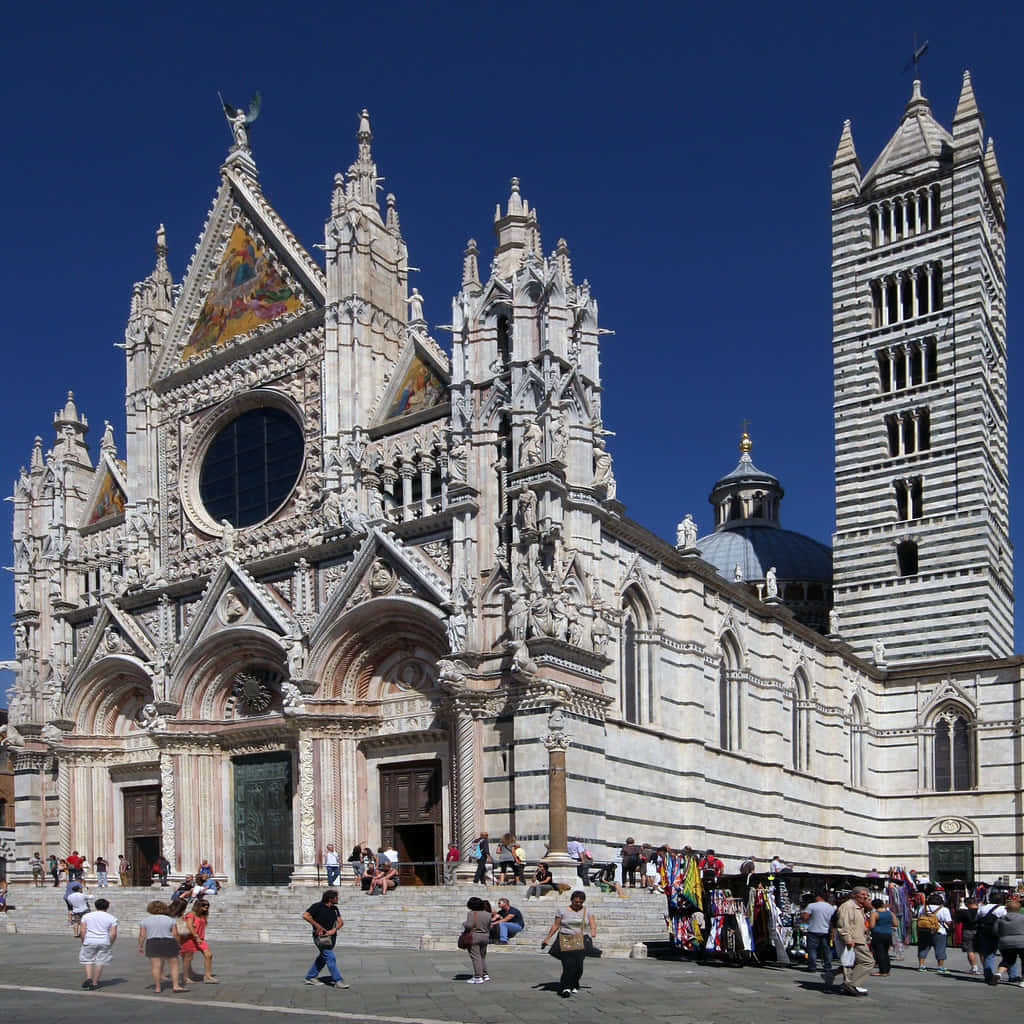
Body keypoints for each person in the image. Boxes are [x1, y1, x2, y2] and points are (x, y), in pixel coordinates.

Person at [542, 890, 596, 998]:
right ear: (571, 900)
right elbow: (556, 925)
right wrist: (547, 938)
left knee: (578, 966)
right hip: (565, 938)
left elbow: (592, 924)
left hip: (580, 940)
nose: (578, 904)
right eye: (576, 902)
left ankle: (574, 983)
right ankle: (565, 987)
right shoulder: (562, 911)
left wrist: (593, 931)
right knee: (568, 964)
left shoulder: (587, 911)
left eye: (580, 902)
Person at [301, 889, 349, 988]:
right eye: (336, 897)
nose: (338, 899)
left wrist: (334, 930)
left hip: (331, 937)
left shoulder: (335, 909)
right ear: (330, 898)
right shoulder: (317, 906)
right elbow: (305, 915)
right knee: (330, 957)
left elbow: (340, 922)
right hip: (320, 937)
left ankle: (310, 976)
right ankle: (338, 980)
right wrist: (317, 926)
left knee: (324, 957)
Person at [138, 899, 188, 993]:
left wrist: (140, 946)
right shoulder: (170, 920)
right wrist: (178, 944)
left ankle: (157, 987)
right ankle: (176, 985)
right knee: (174, 964)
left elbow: (142, 935)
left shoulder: (145, 921)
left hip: (152, 942)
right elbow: (175, 934)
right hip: (168, 941)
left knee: (156, 966)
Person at [836, 886, 874, 996]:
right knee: (868, 961)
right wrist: (847, 938)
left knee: (850, 963)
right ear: (854, 895)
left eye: (866, 895)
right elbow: (843, 923)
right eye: (862, 894)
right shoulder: (848, 906)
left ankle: (850, 984)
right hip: (854, 939)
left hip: (859, 938)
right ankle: (851, 984)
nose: (865, 897)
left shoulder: (859, 907)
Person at [79, 896, 117, 989]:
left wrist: (83, 940)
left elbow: (82, 930)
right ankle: (95, 982)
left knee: (87, 959)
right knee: (100, 961)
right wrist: (110, 943)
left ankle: (88, 978)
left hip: (90, 939)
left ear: (95, 906)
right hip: (104, 940)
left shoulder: (86, 916)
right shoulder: (112, 918)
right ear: (107, 907)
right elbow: (113, 933)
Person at [179, 897, 218, 983]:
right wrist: (195, 936)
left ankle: (207, 976)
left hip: (200, 939)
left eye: (207, 905)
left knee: (209, 955)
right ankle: (186, 976)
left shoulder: (203, 915)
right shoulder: (191, 914)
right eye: (204, 905)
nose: (206, 907)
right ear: (198, 906)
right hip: (190, 938)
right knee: (188, 958)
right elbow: (189, 926)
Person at [802, 891, 835, 976]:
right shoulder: (830, 907)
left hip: (813, 929)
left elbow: (805, 916)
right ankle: (827, 966)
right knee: (826, 949)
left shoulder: (812, 906)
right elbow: (833, 920)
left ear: (818, 897)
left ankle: (812, 966)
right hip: (825, 930)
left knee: (812, 949)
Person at [916, 896, 952, 973]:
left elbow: (919, 918)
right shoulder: (944, 909)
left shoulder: (923, 908)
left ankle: (921, 965)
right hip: (939, 931)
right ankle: (940, 967)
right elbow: (948, 921)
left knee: (923, 948)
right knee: (940, 949)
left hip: (924, 930)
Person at [462, 896, 492, 983]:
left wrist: (464, 923)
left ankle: (478, 976)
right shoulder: (488, 914)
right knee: (482, 956)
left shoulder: (472, 913)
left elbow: (469, 926)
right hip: (485, 936)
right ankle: (484, 974)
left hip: (474, 936)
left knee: (475, 957)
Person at [994, 899, 1024, 987]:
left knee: (1007, 960)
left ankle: (998, 974)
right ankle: (1023, 982)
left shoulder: (1000, 919)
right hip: (1022, 942)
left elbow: (995, 931)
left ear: (1007, 909)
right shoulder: (1022, 918)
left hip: (1005, 943)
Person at [954, 897, 982, 974]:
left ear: (967, 904)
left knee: (970, 950)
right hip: (979, 931)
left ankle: (974, 967)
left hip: (967, 931)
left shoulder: (964, 912)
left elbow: (956, 920)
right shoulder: (981, 911)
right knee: (981, 951)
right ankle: (986, 967)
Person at [868, 898, 895, 976]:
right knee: (886, 952)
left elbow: (872, 925)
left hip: (878, 934)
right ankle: (887, 970)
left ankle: (883, 971)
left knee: (879, 953)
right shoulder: (890, 913)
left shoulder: (875, 913)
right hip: (888, 933)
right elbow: (895, 923)